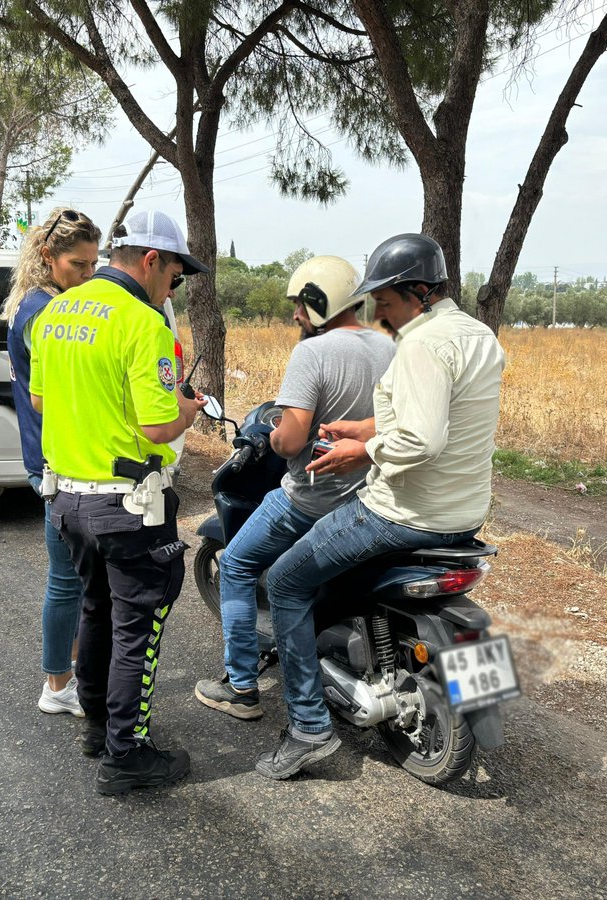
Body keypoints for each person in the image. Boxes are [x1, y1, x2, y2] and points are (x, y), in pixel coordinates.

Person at [253, 233, 506, 780]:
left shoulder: (421, 342)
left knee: (287, 582)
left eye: (386, 302)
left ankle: (308, 728)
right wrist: (369, 426)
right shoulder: (477, 334)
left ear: (418, 292)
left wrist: (359, 450)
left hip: (402, 511)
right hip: (463, 515)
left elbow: (422, 441)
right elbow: (444, 414)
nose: (381, 316)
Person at [30, 209, 209, 796]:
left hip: (67, 500)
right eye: (176, 274)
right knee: (138, 625)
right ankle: (126, 755)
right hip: (128, 504)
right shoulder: (144, 323)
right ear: (152, 260)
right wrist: (189, 406)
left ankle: (97, 727)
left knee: (96, 608)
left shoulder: (55, 309)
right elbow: (159, 427)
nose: (173, 287)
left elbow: (37, 399)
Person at [194, 256, 395, 720]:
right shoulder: (389, 347)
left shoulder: (313, 353)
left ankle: (242, 687)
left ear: (321, 301)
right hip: (370, 498)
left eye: (301, 305)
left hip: (312, 498)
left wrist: (274, 434)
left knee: (240, 565)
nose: (295, 316)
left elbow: (289, 442)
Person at [0, 207, 102, 718]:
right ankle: (59, 684)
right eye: (78, 265)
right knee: (68, 581)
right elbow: (61, 395)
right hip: (54, 460)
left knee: (75, 579)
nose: (87, 275)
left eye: (93, 265)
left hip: (47, 456)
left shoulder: (38, 303)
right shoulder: (45, 312)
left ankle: (68, 676)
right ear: (48, 257)